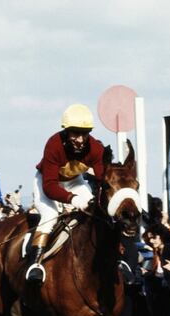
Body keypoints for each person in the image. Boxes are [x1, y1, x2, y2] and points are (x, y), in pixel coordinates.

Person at [27, 104, 105, 283]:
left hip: (74, 181)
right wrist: (72, 199)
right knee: (50, 214)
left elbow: (102, 179)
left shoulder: (95, 148)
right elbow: (50, 186)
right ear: (66, 131)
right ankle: (35, 264)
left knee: (93, 209)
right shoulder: (54, 144)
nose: (80, 139)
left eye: (84, 133)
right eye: (75, 133)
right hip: (46, 181)